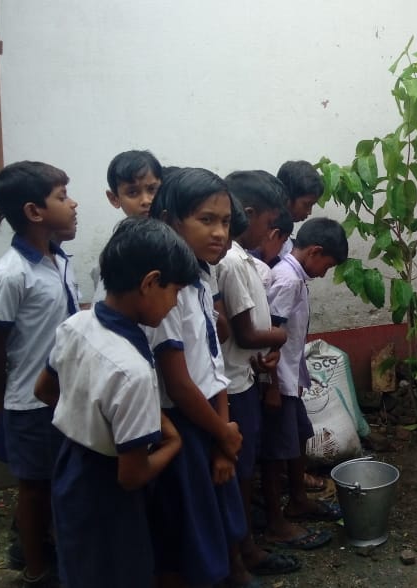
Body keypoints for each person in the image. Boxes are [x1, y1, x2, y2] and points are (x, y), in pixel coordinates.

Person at [34, 217, 194, 588]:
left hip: (70, 466)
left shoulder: (76, 324)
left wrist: (88, 416)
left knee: (81, 566)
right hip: (108, 488)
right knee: (120, 570)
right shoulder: (132, 370)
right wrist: (174, 443)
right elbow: (131, 475)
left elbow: (44, 390)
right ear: (150, 282)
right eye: (175, 291)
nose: (175, 304)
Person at [145, 168, 251, 587]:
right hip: (183, 423)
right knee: (184, 536)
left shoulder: (202, 280)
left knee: (216, 521)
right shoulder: (163, 291)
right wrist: (220, 433)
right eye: (206, 220)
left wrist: (224, 436)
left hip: (211, 419)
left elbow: (213, 364)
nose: (220, 233)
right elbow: (178, 382)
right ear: (169, 221)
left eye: (224, 222)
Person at [0, 161, 79, 587]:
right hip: (29, 402)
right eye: (62, 197)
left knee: (63, 481)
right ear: (34, 211)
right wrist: (4, 403)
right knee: (35, 487)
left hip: (65, 394)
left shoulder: (60, 259)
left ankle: (56, 554)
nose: (73, 204)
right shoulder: (10, 274)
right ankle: (36, 570)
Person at [216, 170, 302, 576]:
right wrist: (280, 336)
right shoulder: (232, 261)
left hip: (245, 374)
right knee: (238, 473)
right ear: (248, 214)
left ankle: (245, 547)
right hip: (233, 384)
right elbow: (245, 332)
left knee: (244, 470)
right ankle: (240, 555)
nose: (272, 232)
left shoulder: (243, 260)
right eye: (270, 223)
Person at [262, 217, 348, 549]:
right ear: (315, 251)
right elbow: (271, 335)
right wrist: (272, 385)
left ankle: (298, 499)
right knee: (275, 452)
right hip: (277, 382)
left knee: (298, 437)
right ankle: (275, 522)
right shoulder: (286, 280)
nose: (325, 273)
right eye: (328, 265)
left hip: (289, 378)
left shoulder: (294, 277)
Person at [91, 150, 164, 303]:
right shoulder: (117, 253)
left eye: (152, 189)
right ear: (114, 198)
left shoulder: (175, 236)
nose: (146, 200)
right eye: (132, 192)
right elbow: (107, 308)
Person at [272, 160, 323, 261]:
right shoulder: (264, 241)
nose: (309, 212)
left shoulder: (288, 242)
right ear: (287, 197)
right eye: (306, 204)